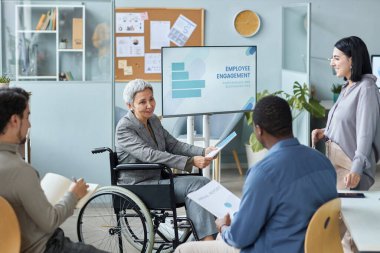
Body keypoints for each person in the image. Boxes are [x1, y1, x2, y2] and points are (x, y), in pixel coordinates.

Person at [174, 95, 338, 253]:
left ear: (258, 130)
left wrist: (223, 227)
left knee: (183, 249)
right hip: (315, 248)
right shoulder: (323, 162)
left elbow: (239, 238)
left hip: (271, 248)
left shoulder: (264, 173)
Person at [0, 87, 107, 253]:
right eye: (27, 117)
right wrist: (73, 194)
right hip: (46, 247)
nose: (29, 124)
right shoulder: (20, 171)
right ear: (15, 121)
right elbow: (50, 221)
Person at [115, 79, 218, 241]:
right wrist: (190, 161)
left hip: (159, 179)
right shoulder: (124, 128)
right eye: (142, 102)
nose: (149, 105)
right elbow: (150, 155)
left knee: (204, 183)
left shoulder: (153, 121)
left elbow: (173, 144)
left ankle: (204, 238)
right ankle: (207, 242)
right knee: (196, 185)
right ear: (130, 105)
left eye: (151, 99)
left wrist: (203, 151)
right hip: (140, 185)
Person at [312, 36, 380, 191]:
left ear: (352, 61)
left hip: (351, 168)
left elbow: (365, 134)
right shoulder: (347, 87)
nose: (332, 63)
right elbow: (347, 123)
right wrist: (325, 132)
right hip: (337, 164)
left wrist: (356, 170)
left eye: (336, 58)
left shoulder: (366, 89)